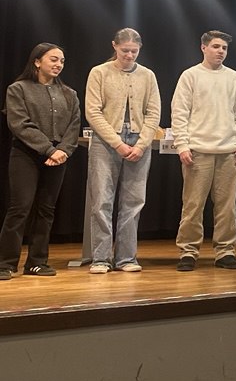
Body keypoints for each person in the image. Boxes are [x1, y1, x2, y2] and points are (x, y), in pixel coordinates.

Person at [171, 30, 236, 271]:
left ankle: (225, 251)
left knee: (227, 207)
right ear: (203, 47)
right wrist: (182, 144)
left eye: (224, 48)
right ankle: (188, 251)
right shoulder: (191, 75)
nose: (221, 51)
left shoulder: (234, 77)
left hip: (229, 151)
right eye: (216, 46)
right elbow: (179, 112)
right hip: (198, 150)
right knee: (193, 205)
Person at [83, 28, 161, 273]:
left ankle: (126, 258)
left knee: (134, 201)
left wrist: (141, 144)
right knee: (101, 200)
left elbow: (153, 113)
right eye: (125, 50)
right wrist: (117, 142)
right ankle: (101, 258)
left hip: (138, 140)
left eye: (134, 51)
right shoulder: (99, 72)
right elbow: (92, 111)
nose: (129, 55)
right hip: (106, 140)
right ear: (114, 46)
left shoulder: (148, 75)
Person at [1, 44, 80, 279]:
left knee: (46, 209)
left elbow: (74, 125)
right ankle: (6, 263)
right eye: (53, 59)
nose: (58, 64)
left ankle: (37, 262)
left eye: (62, 61)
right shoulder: (18, 89)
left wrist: (63, 150)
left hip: (57, 157)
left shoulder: (69, 94)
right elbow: (19, 124)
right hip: (26, 154)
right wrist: (49, 149)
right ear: (37, 61)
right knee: (20, 208)